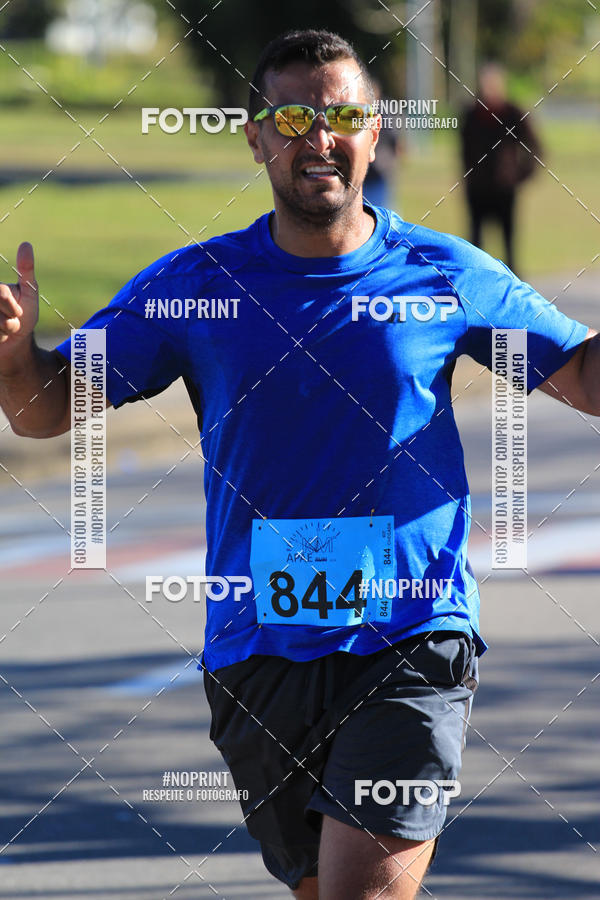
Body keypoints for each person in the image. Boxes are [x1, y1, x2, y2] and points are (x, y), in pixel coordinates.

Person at [0, 29, 598, 900]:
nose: (321, 137)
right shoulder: (197, 285)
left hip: (411, 637)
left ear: (378, 130)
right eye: (294, 117)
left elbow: (582, 377)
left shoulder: (444, 273)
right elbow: (48, 410)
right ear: (256, 137)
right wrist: (16, 361)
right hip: (255, 653)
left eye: (345, 115)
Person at [459, 62, 542, 275]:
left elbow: (535, 148)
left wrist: (520, 176)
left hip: (505, 191)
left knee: (509, 245)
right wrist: (467, 177)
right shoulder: (471, 114)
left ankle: (512, 290)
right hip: (477, 190)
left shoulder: (513, 113)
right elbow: (463, 150)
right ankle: (476, 285)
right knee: (475, 245)